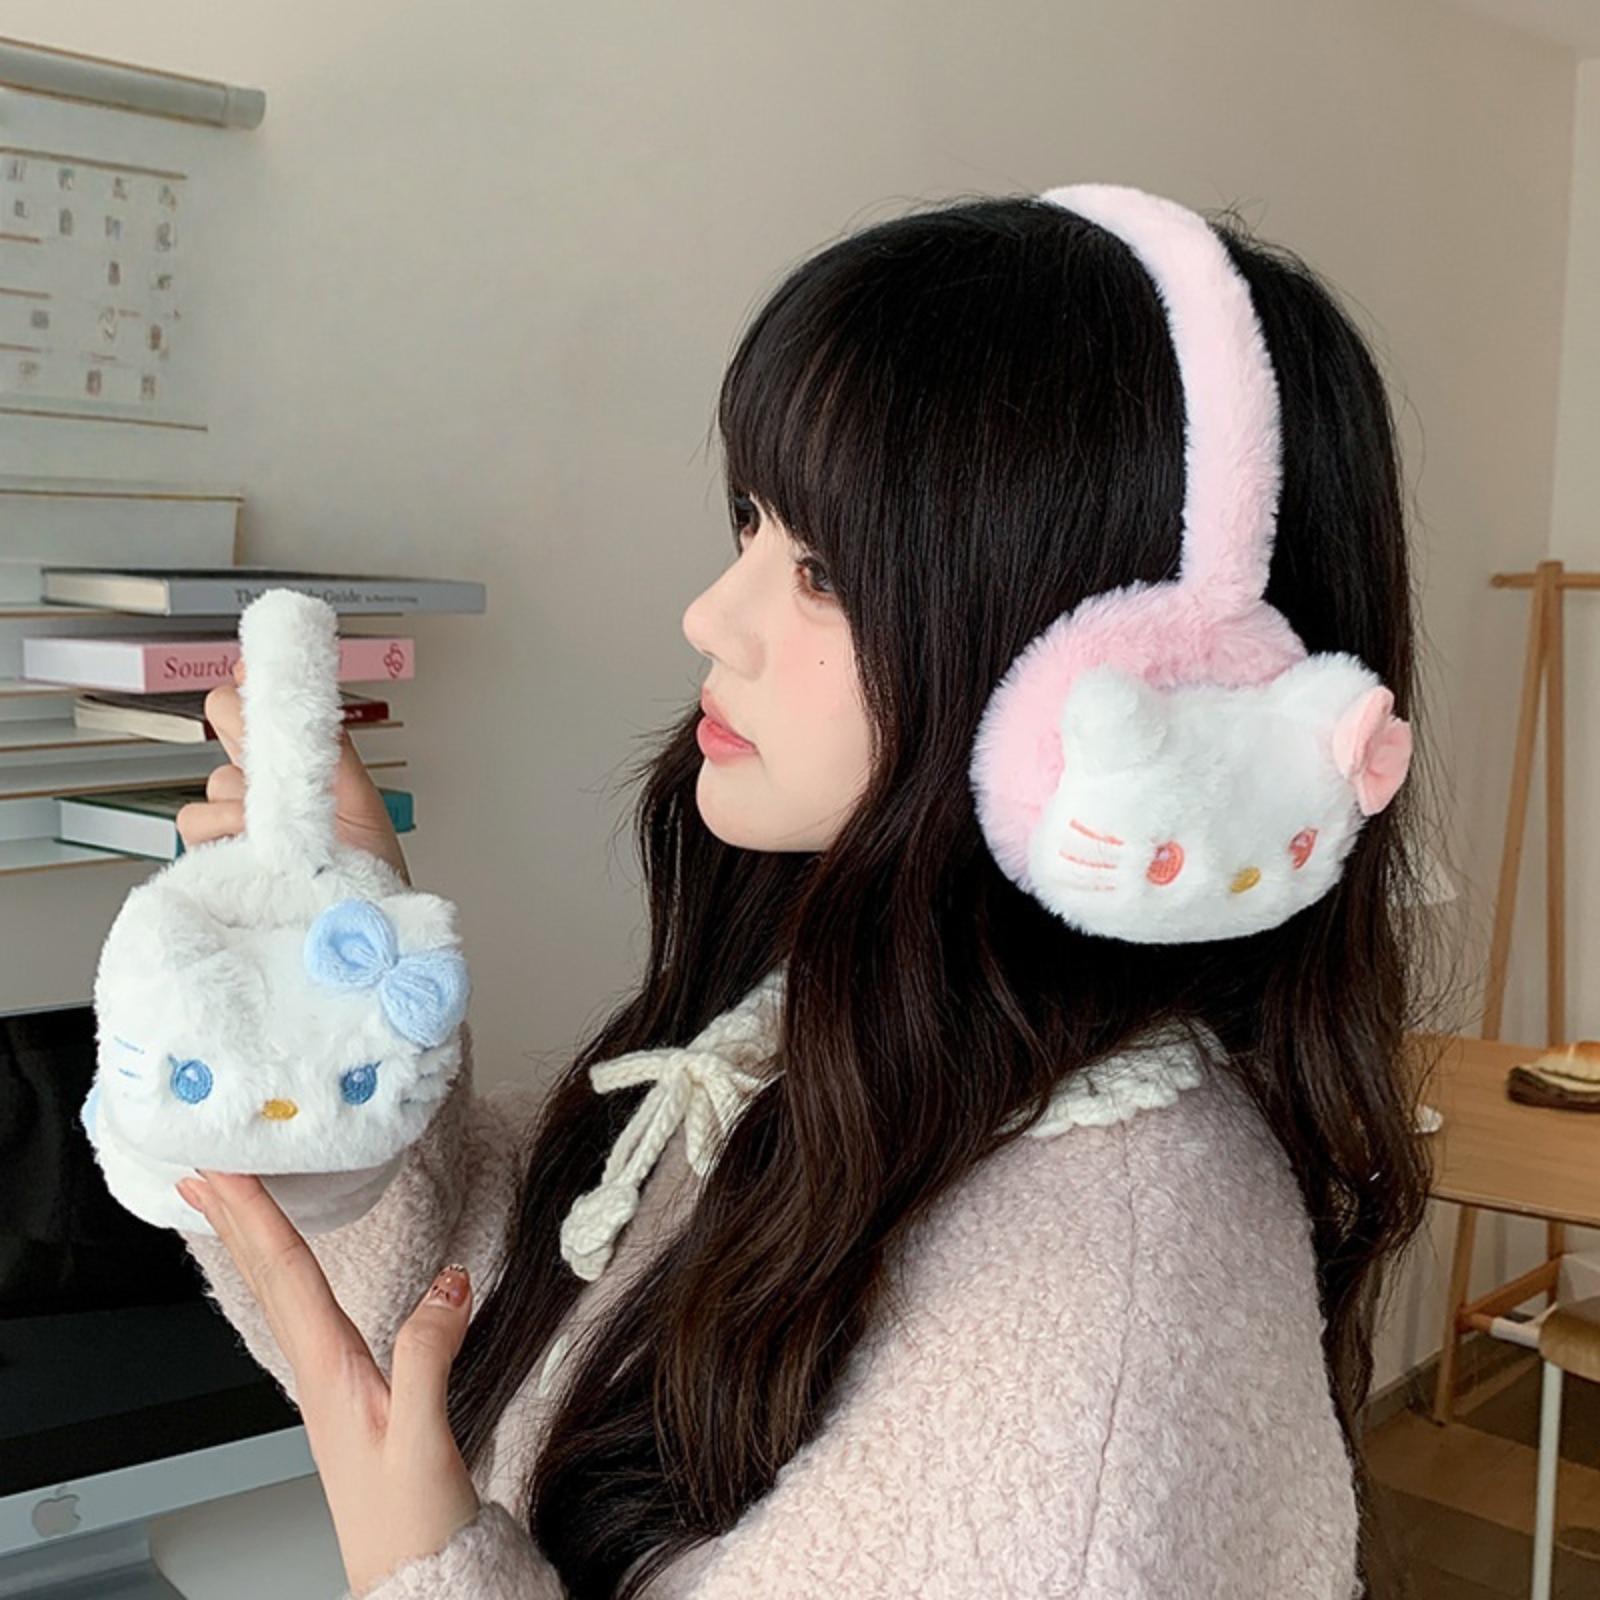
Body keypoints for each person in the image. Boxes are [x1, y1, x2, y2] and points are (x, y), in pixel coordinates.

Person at [170, 189, 1450, 1599]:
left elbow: (425, 1466)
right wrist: (341, 997)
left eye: (823, 569)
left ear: (1144, 690)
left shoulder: (1106, 1311)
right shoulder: (833, 1031)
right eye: (749, 522)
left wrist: (421, 1565)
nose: (711, 616)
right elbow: (473, 1341)